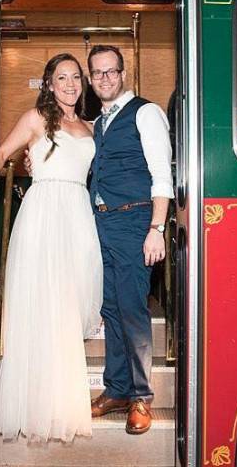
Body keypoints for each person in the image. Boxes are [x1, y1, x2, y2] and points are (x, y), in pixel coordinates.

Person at [0, 54, 103, 443]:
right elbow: (1, 154)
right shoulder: (34, 119)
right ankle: (37, 407)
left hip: (79, 217)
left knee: (68, 310)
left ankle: (60, 403)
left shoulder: (93, 127)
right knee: (41, 308)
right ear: (50, 84)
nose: (71, 83)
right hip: (42, 217)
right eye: (62, 77)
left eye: (76, 77)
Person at [86, 45, 173, 435]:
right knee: (110, 310)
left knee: (134, 312)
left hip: (135, 222)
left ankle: (141, 397)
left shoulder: (146, 112)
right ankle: (117, 388)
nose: (105, 78)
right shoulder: (100, 122)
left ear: (123, 73)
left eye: (111, 71)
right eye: (98, 73)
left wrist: (156, 229)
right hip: (100, 225)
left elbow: (162, 176)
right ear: (91, 79)